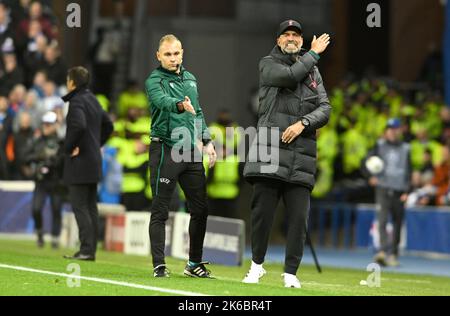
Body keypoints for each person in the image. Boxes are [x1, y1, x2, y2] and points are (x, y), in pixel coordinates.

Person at [243, 20, 331, 288]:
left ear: (301, 40)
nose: (291, 38)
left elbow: (325, 108)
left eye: (296, 35)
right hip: (270, 149)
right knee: (262, 215)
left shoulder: (313, 71)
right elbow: (289, 77)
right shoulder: (268, 63)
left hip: (301, 152)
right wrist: (314, 54)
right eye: (286, 35)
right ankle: (256, 266)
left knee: (298, 219)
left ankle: (291, 273)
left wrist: (303, 123)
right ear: (279, 39)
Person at [145, 34, 217, 278]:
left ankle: (194, 263)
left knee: (201, 208)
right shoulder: (154, 80)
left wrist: (207, 141)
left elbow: (197, 111)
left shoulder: (190, 78)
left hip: (190, 150)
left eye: (176, 53)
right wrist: (179, 104)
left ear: (182, 53)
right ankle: (159, 265)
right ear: (158, 56)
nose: (173, 58)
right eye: (167, 54)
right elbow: (161, 101)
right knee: (161, 210)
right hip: (165, 148)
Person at [62, 66, 113, 261]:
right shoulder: (93, 99)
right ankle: (89, 250)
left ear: (72, 82)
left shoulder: (76, 101)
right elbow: (109, 125)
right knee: (91, 206)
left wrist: (70, 147)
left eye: (68, 80)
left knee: (80, 205)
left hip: (81, 161)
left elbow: (79, 125)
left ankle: (85, 249)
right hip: (93, 160)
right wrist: (95, 144)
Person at [365, 118, 412, 267]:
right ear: (386, 131)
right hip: (383, 188)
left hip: (399, 191)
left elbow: (409, 170)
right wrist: (370, 176)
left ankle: (393, 254)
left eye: (395, 129)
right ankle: (383, 252)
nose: (392, 131)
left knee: (397, 223)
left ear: (399, 131)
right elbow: (366, 161)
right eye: (390, 129)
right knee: (382, 221)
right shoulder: (379, 146)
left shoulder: (406, 148)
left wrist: (407, 190)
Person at [24, 111, 64, 248]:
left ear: (55, 125)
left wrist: (53, 161)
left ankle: (55, 237)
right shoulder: (37, 141)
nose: (46, 126)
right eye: (45, 123)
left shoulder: (61, 142)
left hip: (56, 180)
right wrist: (39, 158)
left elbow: (64, 161)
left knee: (56, 209)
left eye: (49, 124)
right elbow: (25, 157)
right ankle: (40, 233)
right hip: (41, 180)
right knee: (36, 208)